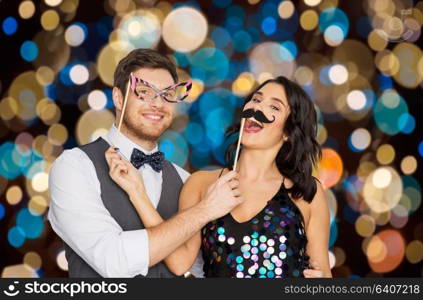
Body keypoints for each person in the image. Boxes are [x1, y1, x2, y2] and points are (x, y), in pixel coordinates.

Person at [107, 75, 332, 278]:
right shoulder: (202, 183)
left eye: (274, 106)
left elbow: (323, 276)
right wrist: (137, 192)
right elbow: (178, 263)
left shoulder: (306, 192)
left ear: (287, 132)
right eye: (255, 100)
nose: (257, 108)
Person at [47, 48, 244, 278]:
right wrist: (206, 210)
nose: (158, 104)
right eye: (144, 92)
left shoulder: (185, 181)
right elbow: (113, 261)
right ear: (118, 98)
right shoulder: (74, 166)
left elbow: (206, 268)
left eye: (167, 94)